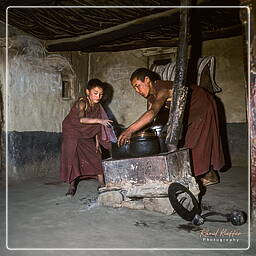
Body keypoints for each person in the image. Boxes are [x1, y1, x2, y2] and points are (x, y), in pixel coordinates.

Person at [118, 68, 224, 186]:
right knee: (188, 143)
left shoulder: (162, 89)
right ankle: (209, 174)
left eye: (138, 86)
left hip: (201, 103)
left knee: (195, 143)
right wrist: (133, 134)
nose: (137, 91)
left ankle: (201, 176)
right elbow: (149, 120)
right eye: (134, 88)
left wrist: (130, 130)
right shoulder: (151, 98)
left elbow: (152, 113)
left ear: (147, 80)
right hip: (189, 113)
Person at [60, 78, 116, 197]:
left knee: (96, 156)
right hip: (72, 133)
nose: (98, 96)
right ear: (87, 92)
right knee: (74, 159)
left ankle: (101, 184)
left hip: (85, 135)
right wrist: (100, 120)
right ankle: (72, 186)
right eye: (95, 93)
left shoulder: (97, 107)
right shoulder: (82, 103)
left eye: (101, 94)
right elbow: (81, 119)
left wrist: (96, 143)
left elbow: (95, 128)